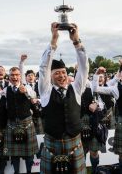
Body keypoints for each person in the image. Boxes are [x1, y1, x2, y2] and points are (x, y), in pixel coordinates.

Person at [39, 22, 88, 173]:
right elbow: (44, 67)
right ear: (51, 76)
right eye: (57, 73)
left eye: (63, 72)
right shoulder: (45, 91)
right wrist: (53, 41)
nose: (61, 76)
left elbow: (84, 66)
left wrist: (76, 41)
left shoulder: (77, 88)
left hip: (74, 144)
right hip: (52, 144)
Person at [2, 66, 38, 174]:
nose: (14, 77)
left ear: (20, 76)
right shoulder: (5, 90)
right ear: (9, 77)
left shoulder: (27, 87)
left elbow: (34, 96)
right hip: (12, 122)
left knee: (29, 152)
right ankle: (16, 171)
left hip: (26, 122)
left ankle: (28, 171)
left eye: (17, 75)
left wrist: (26, 91)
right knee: (14, 153)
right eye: (12, 75)